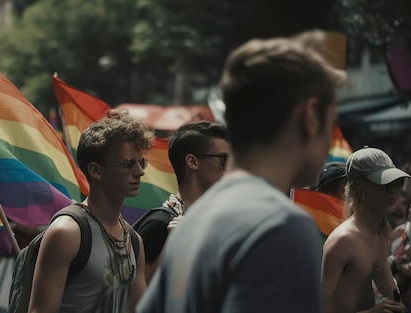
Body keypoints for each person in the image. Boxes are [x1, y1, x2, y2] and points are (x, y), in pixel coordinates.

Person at [137, 29, 348, 312]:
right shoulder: (281, 225)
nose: (330, 141)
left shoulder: (190, 220)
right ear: (310, 116)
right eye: (332, 123)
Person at [28, 109, 150, 313]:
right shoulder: (68, 232)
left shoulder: (134, 241)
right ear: (96, 170)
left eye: (141, 162)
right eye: (128, 163)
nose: (139, 171)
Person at [135, 120, 229, 283]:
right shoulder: (160, 224)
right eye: (223, 160)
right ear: (192, 162)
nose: (229, 168)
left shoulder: (208, 223)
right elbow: (136, 296)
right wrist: (173, 243)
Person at [322, 146, 409, 313]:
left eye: (396, 182)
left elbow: (389, 290)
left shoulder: (379, 235)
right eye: (383, 184)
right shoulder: (344, 240)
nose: (392, 191)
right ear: (360, 189)